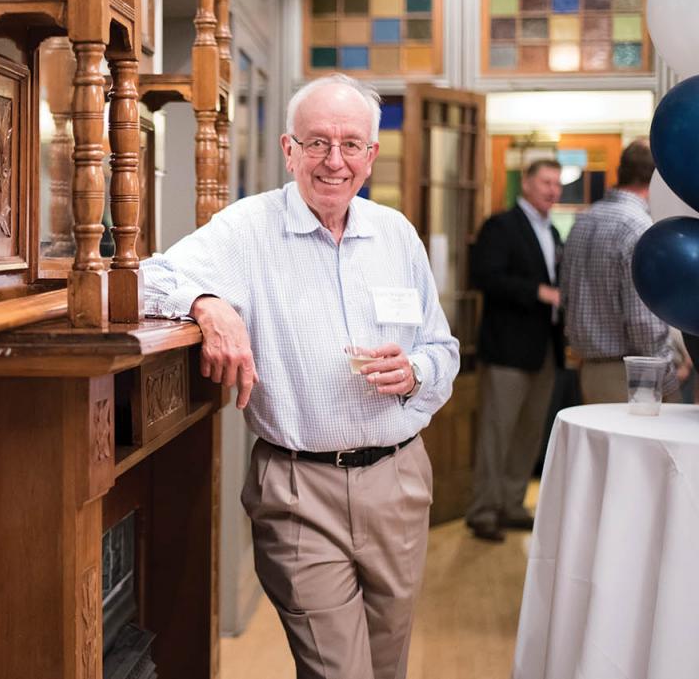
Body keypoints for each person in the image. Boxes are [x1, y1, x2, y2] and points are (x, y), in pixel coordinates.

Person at [142, 74, 459, 679]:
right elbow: (145, 277)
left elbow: (444, 349)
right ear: (289, 151)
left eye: (349, 144)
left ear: (371, 154)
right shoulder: (248, 229)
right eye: (316, 143)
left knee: (386, 667)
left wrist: (415, 370)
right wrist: (209, 303)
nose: (333, 161)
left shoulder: (396, 235)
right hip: (298, 490)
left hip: (399, 483)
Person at [464, 160, 564, 543]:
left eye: (557, 183)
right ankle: (484, 510)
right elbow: (485, 276)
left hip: (545, 349)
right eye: (545, 182)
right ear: (525, 183)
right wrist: (537, 292)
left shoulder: (552, 231)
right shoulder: (501, 226)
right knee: (497, 434)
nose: (553, 190)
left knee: (528, 433)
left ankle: (511, 504)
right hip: (507, 349)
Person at [561, 139, 677, 403]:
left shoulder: (583, 220)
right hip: (633, 376)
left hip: (588, 371)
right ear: (658, 178)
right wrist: (669, 379)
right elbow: (642, 322)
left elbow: (566, 296)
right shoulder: (639, 228)